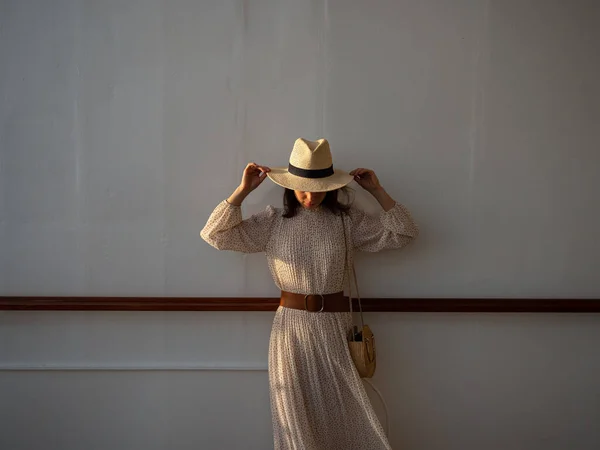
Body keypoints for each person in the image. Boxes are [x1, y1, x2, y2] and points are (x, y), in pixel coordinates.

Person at [201, 138, 419, 450]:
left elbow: (404, 232)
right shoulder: (274, 220)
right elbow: (215, 234)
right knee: (293, 420)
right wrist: (243, 190)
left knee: (346, 414)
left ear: (331, 187)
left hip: (334, 328)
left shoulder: (346, 222)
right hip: (290, 331)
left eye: (320, 188)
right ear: (289, 185)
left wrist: (377, 191)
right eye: (303, 187)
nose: (311, 196)